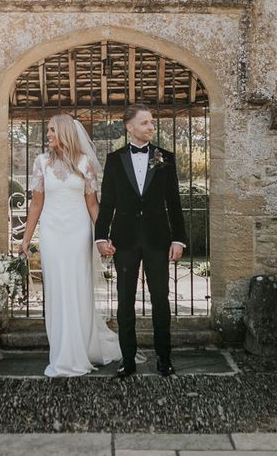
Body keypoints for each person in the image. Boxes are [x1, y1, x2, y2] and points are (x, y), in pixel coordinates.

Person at [20, 114, 122, 377]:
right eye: (48, 130)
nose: (48, 134)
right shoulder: (41, 163)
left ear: (65, 132)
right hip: (52, 234)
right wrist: (26, 238)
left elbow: (92, 205)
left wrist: (103, 237)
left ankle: (82, 350)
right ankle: (62, 353)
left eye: (52, 130)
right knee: (57, 289)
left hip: (79, 234)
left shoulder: (85, 163)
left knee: (78, 288)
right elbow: (36, 204)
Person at [95, 103, 188, 377]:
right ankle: (127, 360)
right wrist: (101, 236)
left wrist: (179, 240)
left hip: (158, 239)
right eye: (145, 122)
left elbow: (174, 202)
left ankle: (164, 358)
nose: (151, 127)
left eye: (151, 122)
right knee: (125, 302)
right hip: (124, 240)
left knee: (161, 299)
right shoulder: (114, 160)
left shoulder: (165, 157)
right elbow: (108, 201)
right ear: (130, 127)